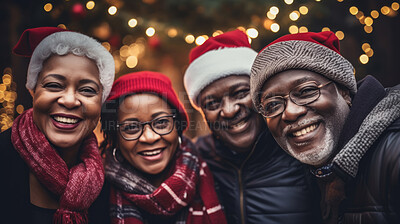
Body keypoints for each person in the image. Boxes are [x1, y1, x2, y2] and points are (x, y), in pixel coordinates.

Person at [250, 31, 400, 223]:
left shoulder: (393, 154)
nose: (290, 112)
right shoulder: (302, 177)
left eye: (306, 91)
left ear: (345, 92)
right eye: (272, 105)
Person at [183, 29, 321, 224]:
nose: (229, 111)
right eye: (212, 103)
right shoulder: (196, 159)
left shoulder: (299, 146)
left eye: (240, 93)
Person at [0, 27, 115, 223]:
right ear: (33, 91)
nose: (70, 101)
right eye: (54, 85)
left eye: (87, 90)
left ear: (100, 103)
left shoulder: (107, 183)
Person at [100, 71, 227, 224]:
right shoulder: (97, 195)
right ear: (115, 138)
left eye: (161, 123)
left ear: (178, 127)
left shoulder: (217, 174)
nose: (149, 137)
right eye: (131, 127)